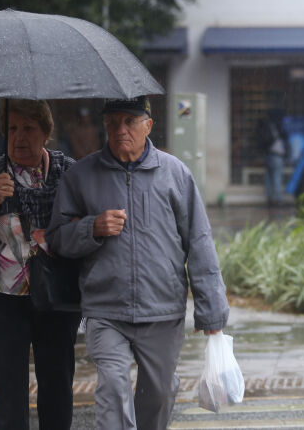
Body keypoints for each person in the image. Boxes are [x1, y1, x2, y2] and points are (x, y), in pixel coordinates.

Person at [46, 96, 230, 429]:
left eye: (129, 122)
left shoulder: (174, 173)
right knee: (113, 386)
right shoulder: (82, 175)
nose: (120, 130)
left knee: (158, 393)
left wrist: (212, 310)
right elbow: (57, 237)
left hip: (162, 308)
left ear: (148, 125)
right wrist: (93, 227)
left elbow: (199, 242)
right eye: (112, 122)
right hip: (105, 309)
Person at [0, 99, 81, 429]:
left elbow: (84, 231)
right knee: (8, 398)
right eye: (12, 129)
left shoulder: (69, 173)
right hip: (4, 305)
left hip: (57, 300)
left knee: (57, 389)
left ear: (46, 132)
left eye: (28, 128)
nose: (19, 137)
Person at [256, 107, 289, 206]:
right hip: (276, 156)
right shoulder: (277, 126)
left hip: (268, 154)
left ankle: (270, 198)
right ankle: (277, 199)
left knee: (269, 177)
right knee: (276, 177)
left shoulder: (266, 125)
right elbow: (285, 136)